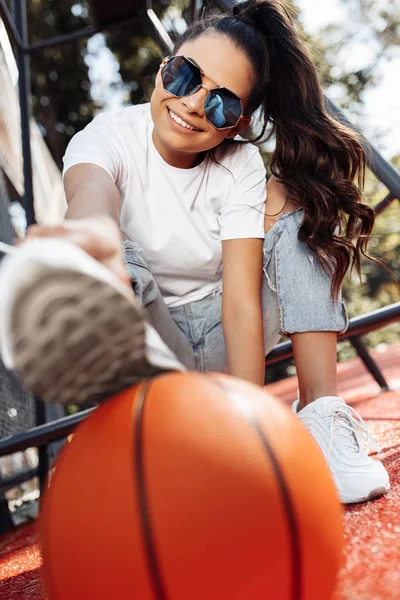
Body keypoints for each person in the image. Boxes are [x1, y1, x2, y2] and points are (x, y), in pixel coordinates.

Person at [0, 0, 389, 503]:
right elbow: (92, 196)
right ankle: (152, 421)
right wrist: (91, 238)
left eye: (222, 102)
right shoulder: (108, 137)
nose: (192, 104)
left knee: (297, 208)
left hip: (229, 332)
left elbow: (242, 304)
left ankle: (321, 417)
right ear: (165, 68)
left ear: (238, 124)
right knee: (113, 250)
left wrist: (248, 429)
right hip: (154, 334)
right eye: (185, 76)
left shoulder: (240, 164)